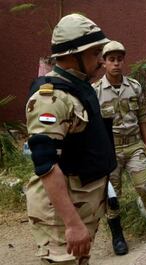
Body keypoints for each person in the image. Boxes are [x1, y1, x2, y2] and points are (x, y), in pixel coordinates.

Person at [25, 14, 116, 265]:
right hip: (62, 215)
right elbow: (46, 164)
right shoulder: (50, 99)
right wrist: (73, 223)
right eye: (95, 53)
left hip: (83, 205)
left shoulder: (78, 88)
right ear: (72, 55)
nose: (100, 60)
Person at [92, 40, 146, 255]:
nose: (116, 64)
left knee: (145, 188)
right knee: (112, 197)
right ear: (104, 62)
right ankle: (118, 237)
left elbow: (142, 114)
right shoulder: (95, 91)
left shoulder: (134, 86)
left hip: (134, 147)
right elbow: (93, 125)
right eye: (111, 60)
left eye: (119, 59)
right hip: (110, 151)